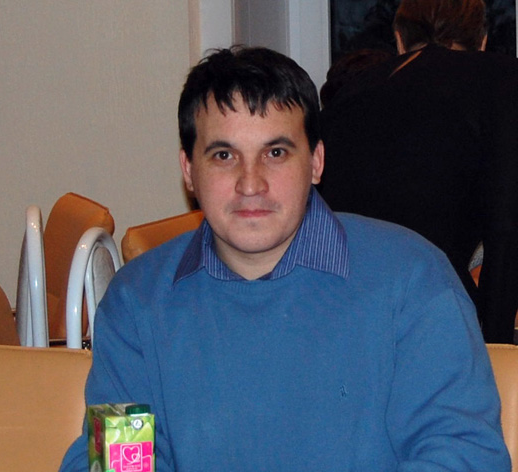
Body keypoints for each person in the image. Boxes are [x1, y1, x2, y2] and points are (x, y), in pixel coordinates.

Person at [60, 45, 510, 471]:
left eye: (275, 153)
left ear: (316, 162)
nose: (250, 183)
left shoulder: (413, 282)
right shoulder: (135, 304)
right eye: (223, 155)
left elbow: (464, 454)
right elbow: (117, 461)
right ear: (189, 171)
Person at [319, 0, 518, 343]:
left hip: (340, 309)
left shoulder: (351, 93)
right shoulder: (502, 79)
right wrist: (494, 342)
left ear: (399, 38)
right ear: (483, 40)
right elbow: (507, 224)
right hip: (434, 310)